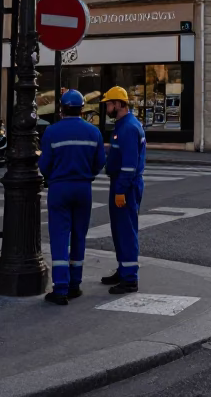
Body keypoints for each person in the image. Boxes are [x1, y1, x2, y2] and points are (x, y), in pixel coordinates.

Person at [37, 89, 105, 306]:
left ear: (61, 108)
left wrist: (52, 176)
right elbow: (99, 161)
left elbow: (44, 164)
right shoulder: (93, 132)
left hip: (59, 188)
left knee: (59, 236)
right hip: (83, 188)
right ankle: (75, 283)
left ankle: (61, 288)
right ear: (82, 108)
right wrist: (88, 175)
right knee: (79, 235)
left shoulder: (52, 132)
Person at [102, 85, 145, 294]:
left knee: (126, 232)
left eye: (109, 104)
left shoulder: (127, 128)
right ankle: (123, 269)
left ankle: (130, 279)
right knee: (120, 231)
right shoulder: (124, 124)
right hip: (123, 183)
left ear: (118, 104)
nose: (107, 107)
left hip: (125, 185)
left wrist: (120, 190)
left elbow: (129, 165)